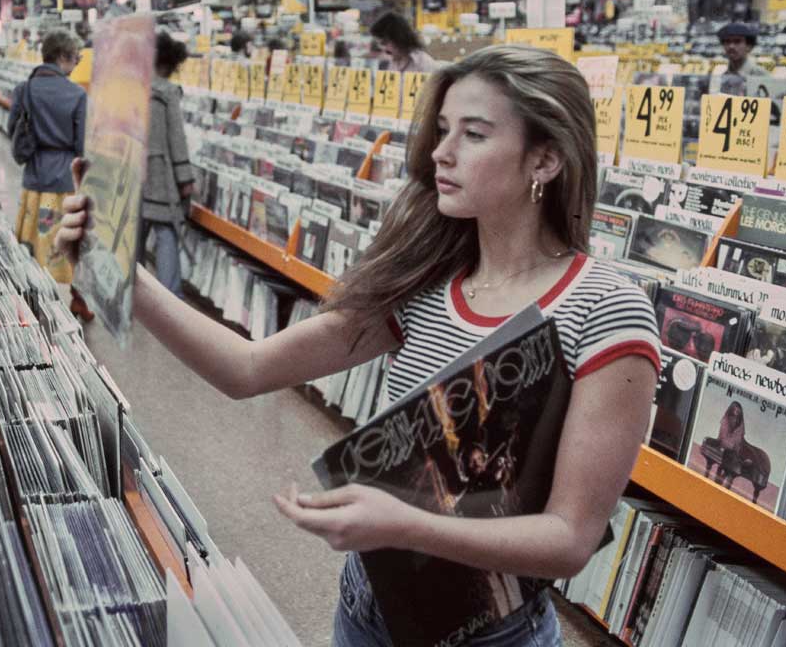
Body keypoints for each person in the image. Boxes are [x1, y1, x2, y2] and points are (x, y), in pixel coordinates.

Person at [57, 45, 661, 645]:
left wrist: (408, 525)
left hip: (487, 634)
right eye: (442, 129)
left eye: (473, 134)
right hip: (369, 609)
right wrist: (125, 276)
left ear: (546, 160)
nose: (439, 153)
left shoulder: (605, 311)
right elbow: (248, 368)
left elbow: (569, 540)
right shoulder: (429, 283)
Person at [8, 29, 94, 321]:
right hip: (65, 181)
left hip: (34, 178)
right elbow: (83, 147)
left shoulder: (25, 89)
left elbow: (13, 130)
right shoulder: (78, 95)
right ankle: (79, 299)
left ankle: (34, 301)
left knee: (34, 241)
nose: (77, 64)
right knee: (70, 240)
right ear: (62, 57)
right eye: (77, 58)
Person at [140, 32, 196, 298]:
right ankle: (169, 296)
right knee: (166, 233)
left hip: (131, 174)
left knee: (133, 237)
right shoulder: (166, 92)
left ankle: (130, 291)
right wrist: (185, 177)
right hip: (160, 174)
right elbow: (177, 137)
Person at [370, 11, 440, 73]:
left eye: (385, 43)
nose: (383, 49)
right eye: (380, 44)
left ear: (399, 39)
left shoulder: (424, 64)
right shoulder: (386, 64)